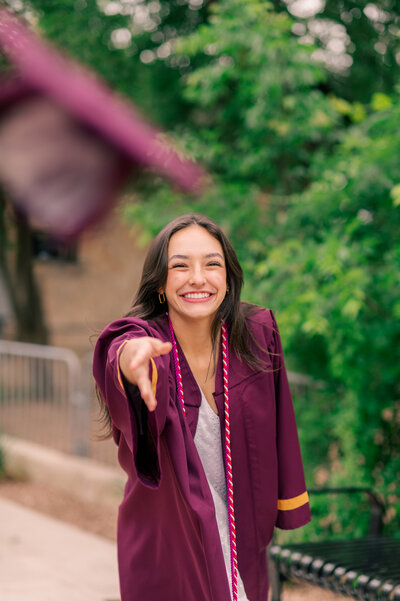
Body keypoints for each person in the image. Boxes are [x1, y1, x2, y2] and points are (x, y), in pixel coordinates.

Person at [93, 213, 311, 601]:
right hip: (169, 542)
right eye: (180, 266)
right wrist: (132, 360)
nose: (198, 278)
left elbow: (282, 425)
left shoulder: (256, 332)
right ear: (160, 284)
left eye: (212, 264)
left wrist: (287, 505)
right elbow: (121, 351)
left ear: (228, 278)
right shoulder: (146, 339)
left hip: (243, 531)